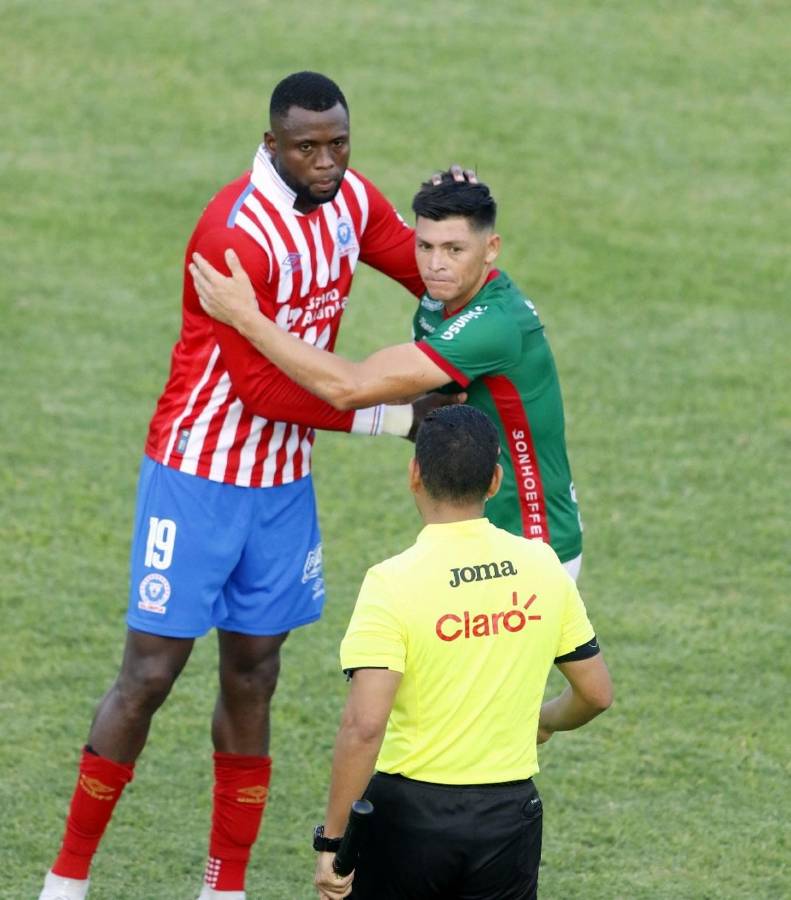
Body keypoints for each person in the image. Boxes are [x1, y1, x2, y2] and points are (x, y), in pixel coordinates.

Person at [38, 71, 463, 900]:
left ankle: (222, 886)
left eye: (338, 143)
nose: (326, 161)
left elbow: (431, 275)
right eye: (306, 147)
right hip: (196, 475)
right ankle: (67, 878)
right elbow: (260, 390)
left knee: (254, 675)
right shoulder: (234, 234)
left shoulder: (351, 200)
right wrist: (399, 417)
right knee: (149, 676)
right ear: (272, 144)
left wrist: (460, 223)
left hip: (280, 484)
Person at [190, 171, 585, 580]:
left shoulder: (493, 325)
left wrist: (246, 318)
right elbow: (401, 389)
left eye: (454, 249)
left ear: (491, 249)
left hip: (531, 545)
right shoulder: (443, 299)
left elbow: (350, 388)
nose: (436, 264)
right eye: (425, 246)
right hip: (473, 536)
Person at [311, 405, 612, 900]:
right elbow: (596, 693)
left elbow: (364, 726)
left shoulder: (392, 583)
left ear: (415, 474)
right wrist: (544, 720)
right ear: (495, 480)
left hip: (409, 817)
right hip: (509, 817)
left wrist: (333, 840)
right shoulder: (542, 564)